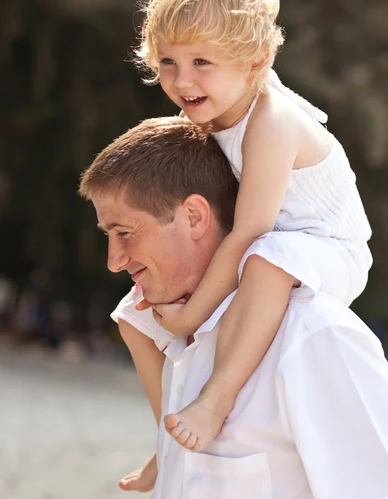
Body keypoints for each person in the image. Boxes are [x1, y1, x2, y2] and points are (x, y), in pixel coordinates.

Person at [123, 0, 373, 459]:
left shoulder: (271, 122)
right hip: (270, 245)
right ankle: (162, 442)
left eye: (201, 63)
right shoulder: (211, 115)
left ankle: (215, 400)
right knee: (133, 312)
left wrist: (192, 316)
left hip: (329, 250)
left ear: (255, 61)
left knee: (266, 258)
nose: (182, 80)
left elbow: (250, 231)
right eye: (168, 62)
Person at [79, 116, 388, 498]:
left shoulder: (314, 338)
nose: (114, 260)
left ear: (194, 217)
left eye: (124, 233)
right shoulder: (170, 339)